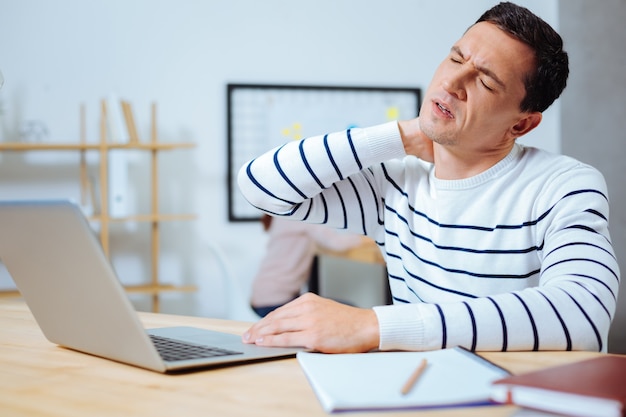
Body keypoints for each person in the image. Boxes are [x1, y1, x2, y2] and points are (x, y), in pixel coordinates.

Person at [237, 2, 619, 354]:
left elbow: (583, 314)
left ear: (521, 123)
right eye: (455, 58)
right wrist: (400, 136)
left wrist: (374, 325)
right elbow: (259, 186)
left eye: (485, 82)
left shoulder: (563, 185)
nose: (452, 83)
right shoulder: (396, 183)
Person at [250, 214, 363, 317]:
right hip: (276, 300)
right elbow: (338, 243)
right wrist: (367, 238)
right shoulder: (301, 216)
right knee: (349, 309)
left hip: (261, 296)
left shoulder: (282, 217)